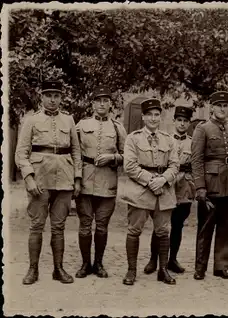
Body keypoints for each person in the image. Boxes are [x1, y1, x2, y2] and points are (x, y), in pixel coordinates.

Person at [15, 80, 82, 285]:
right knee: (36, 225)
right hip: (40, 180)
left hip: (64, 180)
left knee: (59, 227)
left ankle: (58, 269)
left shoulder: (69, 120)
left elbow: (76, 151)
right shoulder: (31, 121)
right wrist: (29, 177)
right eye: (49, 95)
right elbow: (21, 153)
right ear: (41, 97)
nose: (53, 99)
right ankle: (33, 270)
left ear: (61, 98)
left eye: (57, 95)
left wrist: (77, 179)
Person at [121, 98, 179, 286]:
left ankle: (162, 269)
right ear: (143, 117)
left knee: (163, 231)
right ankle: (131, 270)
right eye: (150, 115)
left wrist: (163, 179)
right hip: (140, 190)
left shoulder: (168, 139)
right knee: (134, 230)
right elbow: (129, 166)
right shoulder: (133, 138)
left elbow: (175, 165)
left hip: (163, 190)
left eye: (157, 115)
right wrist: (150, 180)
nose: (153, 119)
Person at [74, 86, 127, 279]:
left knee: (102, 226)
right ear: (93, 103)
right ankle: (85, 264)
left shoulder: (117, 127)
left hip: (108, 182)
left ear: (111, 104)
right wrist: (77, 180)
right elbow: (75, 153)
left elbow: (127, 155)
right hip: (86, 181)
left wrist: (112, 158)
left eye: (106, 100)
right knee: (85, 225)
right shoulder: (81, 125)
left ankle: (99, 263)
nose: (102, 104)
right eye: (98, 100)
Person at [191, 91, 228, 280]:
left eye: (226, 105)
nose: (223, 109)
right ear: (211, 107)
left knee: (227, 226)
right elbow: (196, 160)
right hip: (211, 184)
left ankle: (221, 267)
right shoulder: (202, 129)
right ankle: (200, 268)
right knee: (206, 227)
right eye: (219, 105)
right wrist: (200, 187)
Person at [143, 106, 196, 275]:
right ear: (174, 121)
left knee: (178, 225)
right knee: (160, 225)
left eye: (185, 121)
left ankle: (172, 259)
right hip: (166, 185)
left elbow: (195, 165)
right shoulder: (164, 139)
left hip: (184, 188)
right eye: (179, 120)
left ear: (189, 123)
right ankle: (153, 259)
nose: (182, 124)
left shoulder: (192, 142)